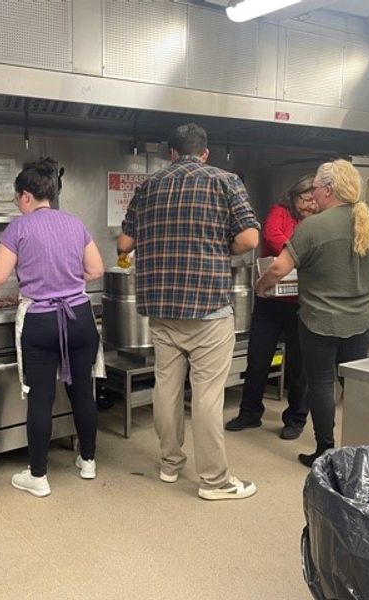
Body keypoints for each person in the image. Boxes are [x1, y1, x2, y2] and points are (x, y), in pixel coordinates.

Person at [117, 123, 260, 501]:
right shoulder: (224, 181)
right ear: (205, 153)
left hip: (162, 308)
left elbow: (124, 242)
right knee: (207, 395)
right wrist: (216, 249)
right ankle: (214, 481)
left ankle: (169, 464)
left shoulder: (148, 187)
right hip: (208, 307)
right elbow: (249, 238)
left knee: (166, 387)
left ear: (173, 153)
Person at [0, 157, 104, 498]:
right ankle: (88, 462)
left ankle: (38, 477)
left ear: (24, 196)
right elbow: (96, 270)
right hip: (80, 318)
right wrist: (65, 281)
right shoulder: (75, 223)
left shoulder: (19, 228)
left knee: (40, 398)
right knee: (83, 391)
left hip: (42, 321)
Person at [256, 159, 369, 466]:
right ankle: (365, 449)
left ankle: (325, 450)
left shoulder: (313, 226)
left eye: (317, 188)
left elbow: (279, 267)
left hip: (319, 321)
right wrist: (367, 284)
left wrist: (262, 286)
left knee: (321, 382)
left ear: (329, 190)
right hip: (361, 320)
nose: (313, 195)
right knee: (353, 383)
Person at [225, 175, 318, 440]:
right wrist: (301, 250)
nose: (310, 205)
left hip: (301, 303)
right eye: (305, 199)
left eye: (313, 200)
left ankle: (296, 418)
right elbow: (272, 237)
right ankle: (250, 413)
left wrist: (293, 252)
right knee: (257, 359)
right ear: (294, 197)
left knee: (300, 366)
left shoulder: (317, 220)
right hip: (270, 299)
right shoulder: (279, 212)